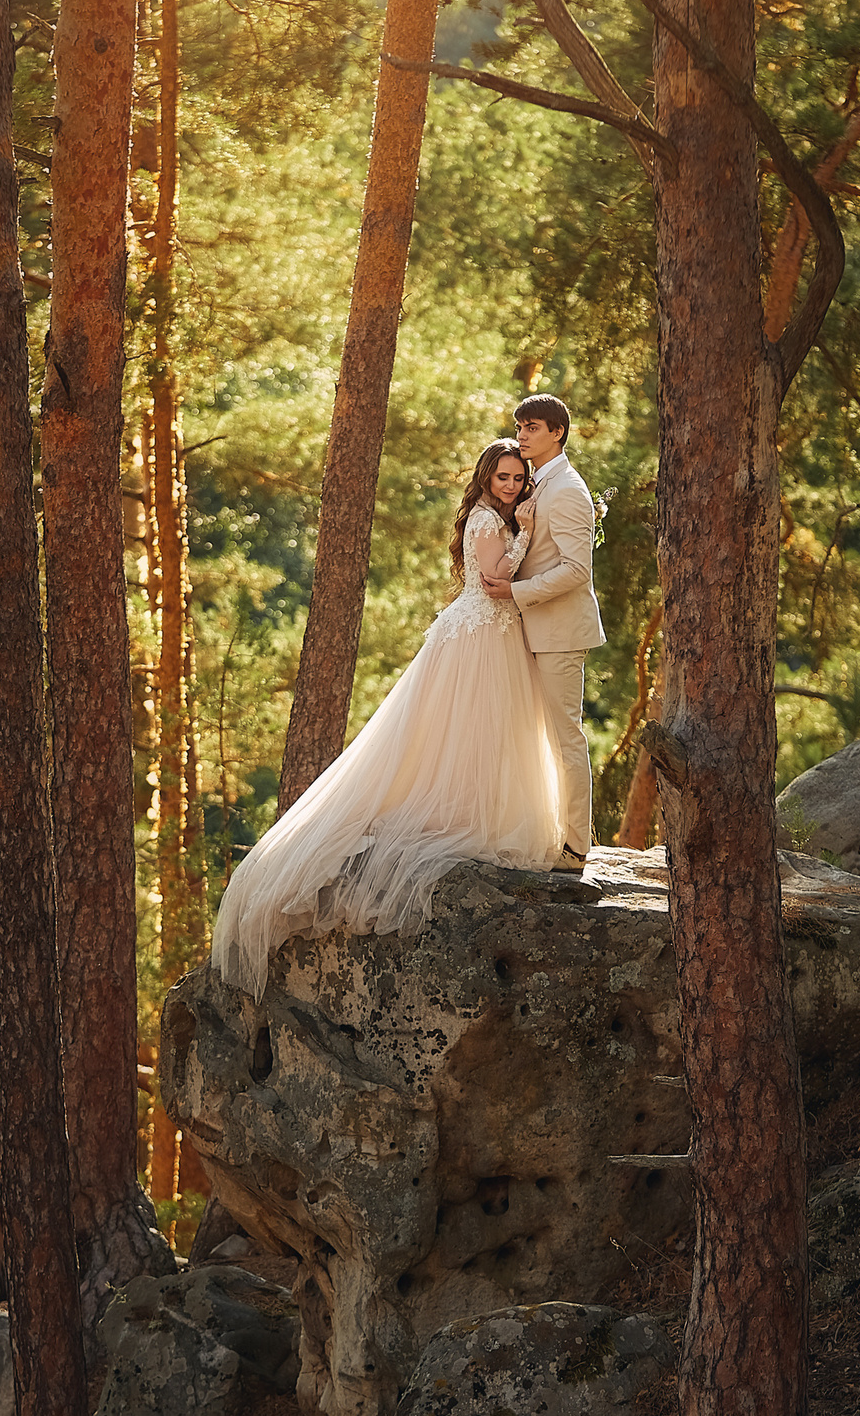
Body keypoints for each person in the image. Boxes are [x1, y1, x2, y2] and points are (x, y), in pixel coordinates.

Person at [210, 440, 566, 996]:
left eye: (518, 477)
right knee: (472, 729)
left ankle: (480, 804)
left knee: (482, 734)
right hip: (481, 634)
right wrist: (523, 531)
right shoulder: (489, 522)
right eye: (502, 476)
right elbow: (497, 583)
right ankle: (467, 812)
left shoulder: (490, 515)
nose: (511, 484)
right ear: (485, 478)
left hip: (486, 632)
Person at [480, 394, 604, 872]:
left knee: (565, 738)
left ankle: (575, 848)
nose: (522, 434)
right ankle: (544, 831)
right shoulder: (537, 483)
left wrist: (516, 593)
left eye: (531, 427)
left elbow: (577, 570)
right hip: (528, 630)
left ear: (557, 432)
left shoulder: (568, 489)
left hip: (558, 632)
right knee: (535, 740)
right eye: (519, 426)